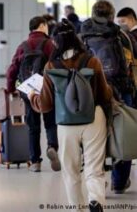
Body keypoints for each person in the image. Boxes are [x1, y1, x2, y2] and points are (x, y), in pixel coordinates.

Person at [29, 19, 112, 212]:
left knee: (71, 170)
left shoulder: (51, 66)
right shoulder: (92, 60)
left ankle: (78, 209)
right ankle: (96, 201)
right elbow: (104, 95)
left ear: (56, 42)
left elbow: (46, 105)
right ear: (76, 39)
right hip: (94, 118)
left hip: (66, 123)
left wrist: (33, 96)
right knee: (94, 167)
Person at [80, 0, 134, 195]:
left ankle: (97, 181)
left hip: (90, 90)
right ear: (112, 16)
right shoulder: (121, 36)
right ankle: (119, 182)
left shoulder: (82, 34)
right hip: (119, 90)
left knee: (94, 137)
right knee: (123, 133)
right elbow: (130, 65)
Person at [6, 16, 60, 172]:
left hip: (29, 90)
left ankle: (35, 161)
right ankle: (52, 146)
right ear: (42, 26)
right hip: (47, 90)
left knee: (33, 127)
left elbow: (12, 69)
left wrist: (10, 89)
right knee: (50, 123)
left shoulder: (23, 46)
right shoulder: (50, 44)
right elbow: (57, 65)